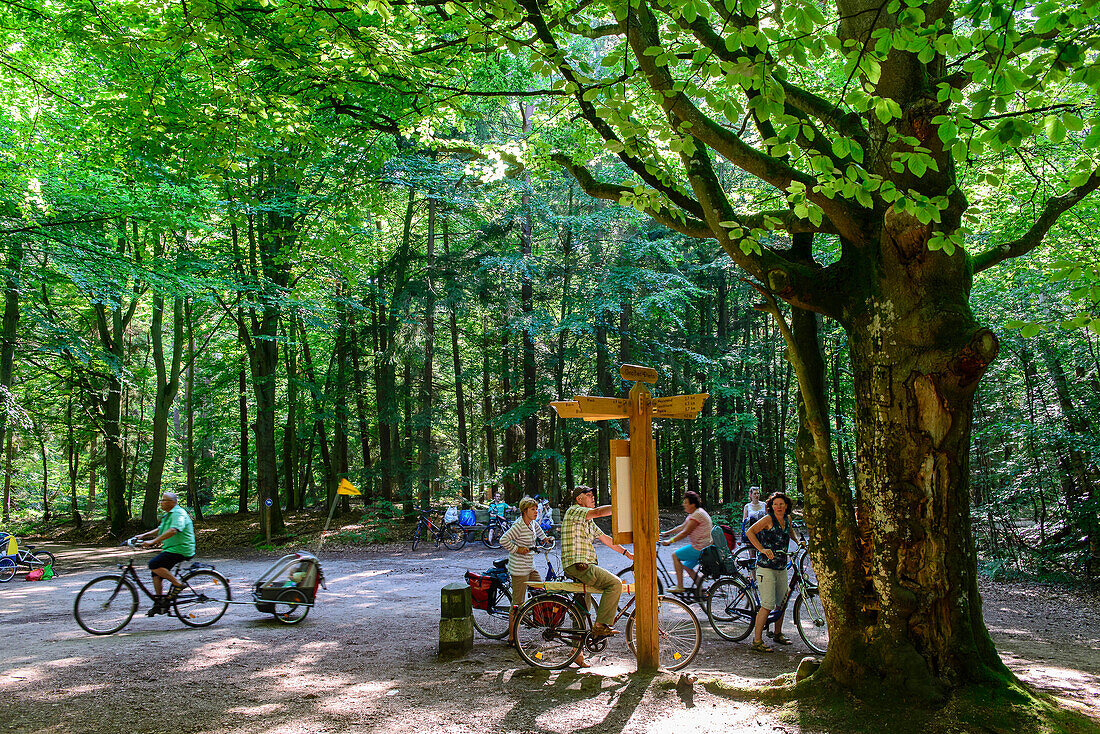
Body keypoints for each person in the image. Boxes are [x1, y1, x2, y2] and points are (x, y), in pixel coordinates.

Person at [560, 485, 633, 643]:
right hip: (579, 565)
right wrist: (622, 506)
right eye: (589, 495)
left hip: (580, 566)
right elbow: (599, 512)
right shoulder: (575, 511)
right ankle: (601, 625)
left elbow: (606, 539)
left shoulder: (587, 520)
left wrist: (628, 554)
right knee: (614, 583)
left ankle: (576, 652)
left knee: (581, 612)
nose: (593, 498)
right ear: (579, 499)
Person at [745, 491, 795, 651]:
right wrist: (762, 549)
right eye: (775, 504)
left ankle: (777, 633)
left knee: (781, 602)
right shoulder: (768, 519)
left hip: (781, 566)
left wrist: (799, 541)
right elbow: (750, 532)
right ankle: (757, 641)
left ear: (786, 505)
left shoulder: (787, 519)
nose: (779, 507)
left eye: (781, 504)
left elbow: (790, 532)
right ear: (771, 507)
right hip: (766, 567)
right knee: (767, 604)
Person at [134, 492, 196, 616]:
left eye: (163, 500)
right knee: (155, 572)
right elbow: (160, 529)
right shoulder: (168, 515)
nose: (161, 502)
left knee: (154, 564)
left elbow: (173, 530)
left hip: (181, 549)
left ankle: (178, 584)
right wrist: (143, 536)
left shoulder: (178, 513)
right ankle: (159, 603)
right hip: (171, 548)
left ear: (172, 502)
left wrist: (153, 542)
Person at [500, 497, 551, 631]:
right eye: (532, 509)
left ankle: (534, 618)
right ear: (524, 511)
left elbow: (538, 530)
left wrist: (545, 538)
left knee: (540, 591)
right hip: (519, 569)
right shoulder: (518, 526)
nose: (536, 512)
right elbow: (503, 540)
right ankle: (512, 636)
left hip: (530, 566)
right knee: (517, 603)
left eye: (536, 509)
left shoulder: (532, 523)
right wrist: (518, 549)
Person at [658, 491, 713, 592]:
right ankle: (701, 591)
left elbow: (685, 532)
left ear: (692, 504)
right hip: (703, 547)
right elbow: (681, 527)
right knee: (687, 566)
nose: (684, 504)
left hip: (700, 548)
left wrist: (670, 541)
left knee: (675, 555)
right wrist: (666, 533)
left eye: (686, 502)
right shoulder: (695, 513)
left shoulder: (697, 515)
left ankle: (680, 586)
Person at [742, 486, 766, 557]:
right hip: (751, 531)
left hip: (763, 532)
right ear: (750, 495)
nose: (756, 495)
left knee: (762, 553)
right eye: (754, 494)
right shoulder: (747, 506)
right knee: (752, 554)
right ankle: (752, 567)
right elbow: (744, 520)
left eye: (758, 493)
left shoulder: (764, 505)